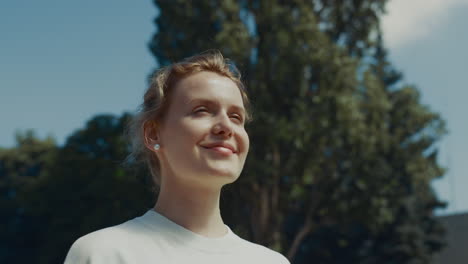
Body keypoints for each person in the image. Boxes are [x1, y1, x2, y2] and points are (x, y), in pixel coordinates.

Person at [64, 51, 290, 264]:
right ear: (153, 134)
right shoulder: (103, 254)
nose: (226, 127)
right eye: (201, 110)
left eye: (236, 116)